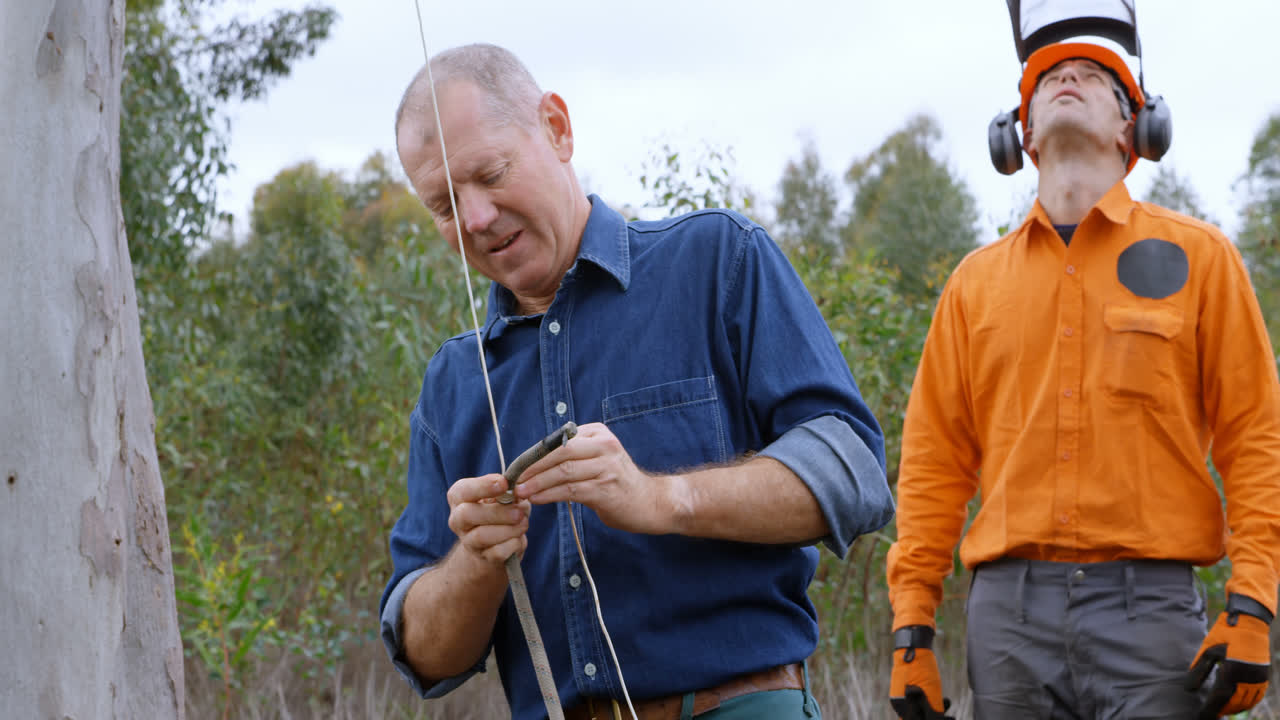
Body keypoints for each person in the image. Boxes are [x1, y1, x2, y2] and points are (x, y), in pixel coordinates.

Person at [379, 43, 894, 720]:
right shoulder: (452, 384)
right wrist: (475, 560)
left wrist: (662, 497)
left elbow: (853, 473)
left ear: (557, 128)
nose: (475, 218)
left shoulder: (717, 261)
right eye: (445, 205)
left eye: (491, 173)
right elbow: (424, 656)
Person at [886, 40, 1280, 720]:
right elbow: (932, 464)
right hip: (1007, 625)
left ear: (1135, 127)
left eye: (1094, 76)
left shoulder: (1202, 258)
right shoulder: (974, 285)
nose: (1067, 76)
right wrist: (910, 626)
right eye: (1048, 79)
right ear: (1023, 134)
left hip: (1151, 615)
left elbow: (1256, 440)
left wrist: (1253, 603)